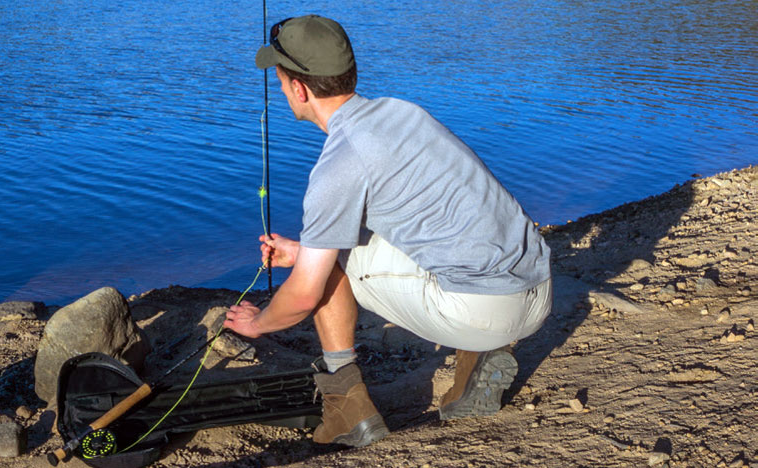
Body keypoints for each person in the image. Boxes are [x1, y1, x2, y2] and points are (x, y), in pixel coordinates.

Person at [224, 14, 552, 448]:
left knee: (330, 261)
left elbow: (304, 295)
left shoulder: (338, 165)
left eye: (282, 81)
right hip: (538, 289)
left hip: (487, 310)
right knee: (342, 245)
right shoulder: (404, 113)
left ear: (298, 89)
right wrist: (303, 249)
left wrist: (258, 324)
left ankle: (348, 407)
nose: (283, 90)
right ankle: (480, 358)